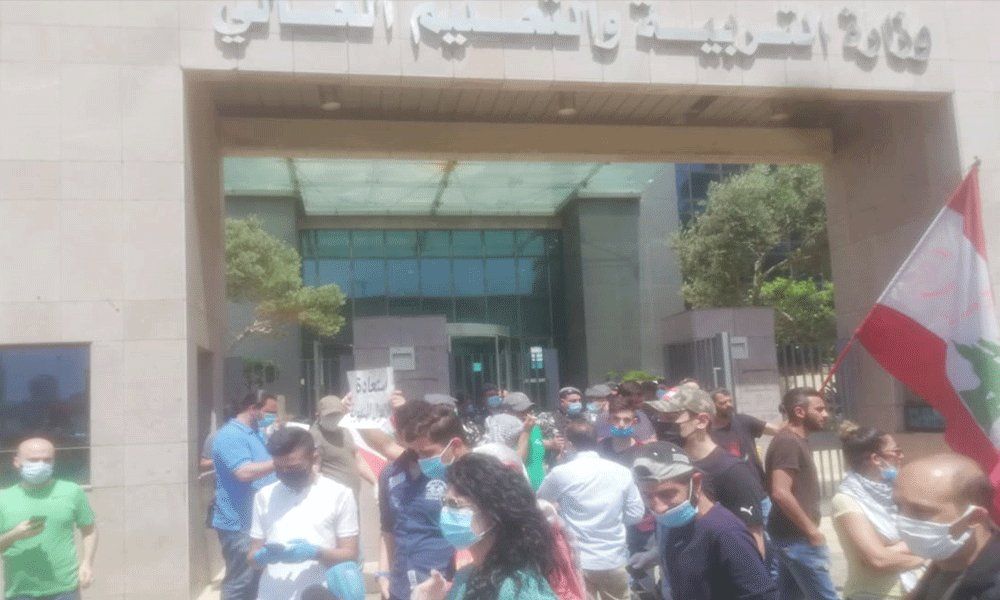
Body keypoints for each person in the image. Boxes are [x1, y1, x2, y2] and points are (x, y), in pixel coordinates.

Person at [631, 442, 777, 600]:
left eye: (667, 494)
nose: (658, 508)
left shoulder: (727, 534)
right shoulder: (671, 520)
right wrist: (653, 556)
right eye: (647, 495)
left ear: (696, 483)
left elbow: (762, 595)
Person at [412, 453, 558, 600]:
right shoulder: (465, 577)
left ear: (492, 513)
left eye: (455, 504)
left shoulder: (522, 588)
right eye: (444, 502)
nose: (446, 512)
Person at [537, 420, 645, 600]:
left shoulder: (561, 473)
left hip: (578, 560)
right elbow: (635, 515)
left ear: (569, 443)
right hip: (614, 558)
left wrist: (562, 507)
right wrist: (612, 518)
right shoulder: (622, 471)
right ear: (596, 440)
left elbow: (540, 503)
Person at [249, 427, 360, 600]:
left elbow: (350, 553)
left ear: (314, 458)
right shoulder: (264, 496)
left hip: (319, 593)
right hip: (272, 593)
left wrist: (316, 553)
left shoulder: (339, 494)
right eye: (278, 467)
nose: (285, 473)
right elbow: (252, 556)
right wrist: (260, 557)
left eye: (293, 467)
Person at [378, 402, 471, 600]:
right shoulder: (390, 475)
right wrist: (384, 574)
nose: (419, 456)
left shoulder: (454, 472)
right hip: (401, 588)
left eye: (425, 452)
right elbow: (388, 530)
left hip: (446, 586)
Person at [667, 387, 768, 557]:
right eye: (660, 417)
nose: (663, 423)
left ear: (701, 421)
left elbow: (753, 542)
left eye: (672, 417)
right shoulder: (677, 465)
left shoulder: (733, 471)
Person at [831, 421, 925, 599]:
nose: (902, 456)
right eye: (896, 451)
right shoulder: (846, 500)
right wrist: (926, 557)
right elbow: (878, 560)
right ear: (876, 459)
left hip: (910, 591)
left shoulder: (897, 492)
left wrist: (892, 551)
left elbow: (924, 535)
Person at [0, 438, 98, 600]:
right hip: (20, 592)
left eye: (47, 460)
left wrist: (86, 563)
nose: (41, 465)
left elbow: (89, 530)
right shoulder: (3, 499)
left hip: (65, 590)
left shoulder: (72, 492)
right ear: (17, 462)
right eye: (33, 460)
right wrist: (14, 535)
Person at [765, 387, 839, 600]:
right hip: (797, 539)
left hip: (792, 537)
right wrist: (811, 531)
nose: (825, 414)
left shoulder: (794, 440)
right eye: (819, 409)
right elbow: (780, 492)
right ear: (799, 412)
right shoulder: (788, 442)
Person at [897, 453, 1000, 600]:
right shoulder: (946, 559)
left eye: (920, 511)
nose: (902, 520)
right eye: (898, 506)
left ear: (974, 517)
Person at [212, 392, 278, 600]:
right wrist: (280, 462)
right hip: (239, 526)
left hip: (257, 523)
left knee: (256, 583)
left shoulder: (255, 434)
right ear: (253, 409)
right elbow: (243, 472)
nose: (273, 417)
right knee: (241, 583)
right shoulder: (230, 435)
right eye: (269, 412)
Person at [310, 395, 376, 504]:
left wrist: (375, 482)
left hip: (353, 499)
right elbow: (314, 468)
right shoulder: (314, 436)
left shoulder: (344, 431)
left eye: (337, 414)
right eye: (330, 415)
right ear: (318, 415)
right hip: (331, 501)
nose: (334, 418)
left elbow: (357, 457)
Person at [709, 388, 779, 484]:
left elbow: (776, 430)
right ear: (712, 406)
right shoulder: (707, 431)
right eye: (723, 403)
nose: (729, 405)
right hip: (726, 485)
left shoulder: (743, 421)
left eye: (730, 401)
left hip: (755, 482)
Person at [501, 392, 548, 490]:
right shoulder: (506, 433)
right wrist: (525, 431)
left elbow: (537, 452)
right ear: (507, 413)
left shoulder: (534, 428)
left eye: (529, 410)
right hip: (521, 490)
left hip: (540, 489)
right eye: (521, 411)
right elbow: (518, 461)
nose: (527, 415)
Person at [597, 397, 644, 466]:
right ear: (609, 420)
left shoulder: (642, 451)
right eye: (616, 419)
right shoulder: (600, 446)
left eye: (626, 420)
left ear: (634, 422)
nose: (621, 424)